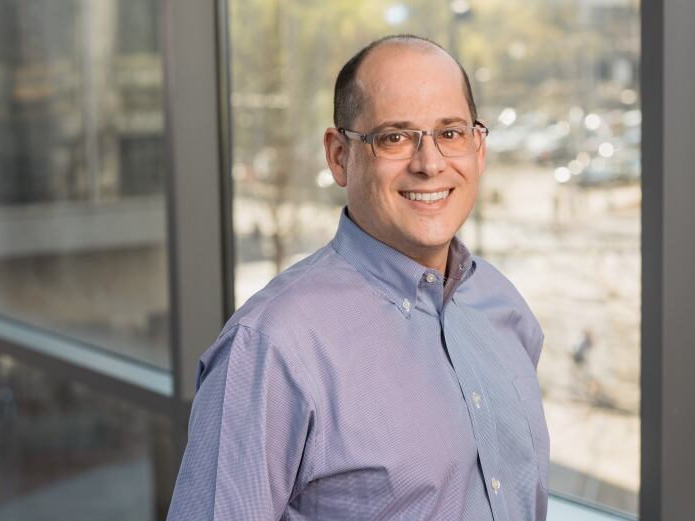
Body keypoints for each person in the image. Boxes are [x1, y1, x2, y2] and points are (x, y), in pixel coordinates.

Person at [167, 34, 548, 521]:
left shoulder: (501, 304)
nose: (430, 164)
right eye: (395, 136)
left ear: (478, 147)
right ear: (339, 156)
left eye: (450, 133)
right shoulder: (271, 347)